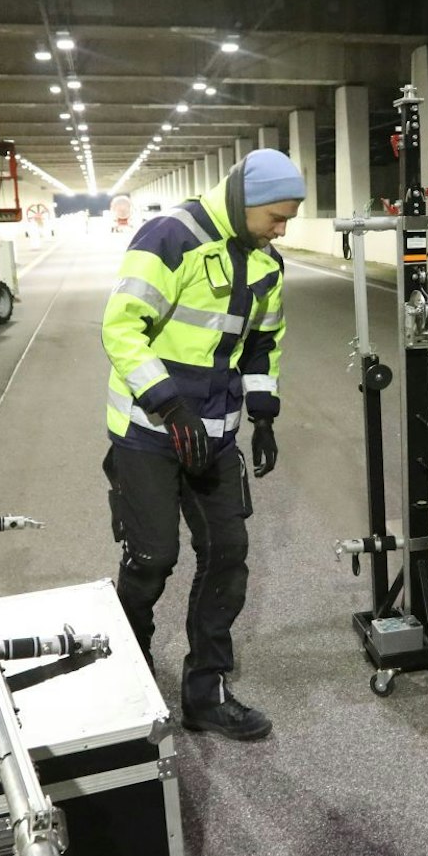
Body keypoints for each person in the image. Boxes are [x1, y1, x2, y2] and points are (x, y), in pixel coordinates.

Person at [99, 148, 304, 740]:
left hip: (216, 435)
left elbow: (264, 342)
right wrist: (166, 401)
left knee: (227, 556)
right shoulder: (170, 237)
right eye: (277, 218)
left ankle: (206, 691)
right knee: (153, 558)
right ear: (245, 203)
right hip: (148, 433)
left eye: (289, 220)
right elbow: (121, 326)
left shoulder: (267, 262)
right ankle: (127, 667)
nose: (282, 230)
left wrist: (263, 414)